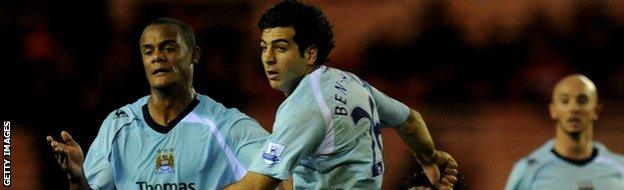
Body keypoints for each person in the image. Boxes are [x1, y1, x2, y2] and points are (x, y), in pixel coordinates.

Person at [225, 1, 458, 189]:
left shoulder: (304, 108)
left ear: (310, 54)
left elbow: (256, 186)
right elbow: (411, 121)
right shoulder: (350, 82)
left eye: (281, 47)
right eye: (264, 46)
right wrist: (429, 158)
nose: (268, 58)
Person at [46, 18, 269, 190]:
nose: (157, 57)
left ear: (194, 54)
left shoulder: (227, 126)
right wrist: (76, 177)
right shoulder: (118, 126)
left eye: (168, 47)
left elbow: (279, 170)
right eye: (148, 51)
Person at [504, 74, 624, 189]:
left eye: (582, 101)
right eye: (565, 101)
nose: (574, 108)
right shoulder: (528, 170)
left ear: (596, 110)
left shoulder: (619, 167)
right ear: (553, 110)